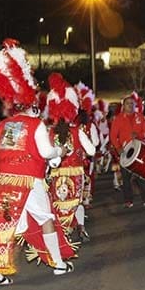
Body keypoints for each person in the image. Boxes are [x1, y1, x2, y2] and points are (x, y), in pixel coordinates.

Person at [0, 39, 75, 287]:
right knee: (46, 219)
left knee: (7, 225)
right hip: (31, 181)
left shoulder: (3, 125)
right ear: (33, 103)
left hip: (5, 181)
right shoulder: (35, 124)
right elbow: (45, 151)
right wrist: (59, 152)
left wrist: (0, 177)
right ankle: (59, 264)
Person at [44, 73, 96, 243]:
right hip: (76, 172)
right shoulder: (77, 131)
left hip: (57, 173)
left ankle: (62, 233)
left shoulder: (49, 132)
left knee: (58, 202)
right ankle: (80, 227)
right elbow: (92, 151)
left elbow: (45, 154)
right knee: (76, 202)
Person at [109, 94, 145, 208]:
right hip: (125, 152)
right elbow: (113, 136)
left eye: (132, 103)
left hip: (139, 151)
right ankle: (128, 200)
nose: (131, 105)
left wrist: (138, 135)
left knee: (142, 176)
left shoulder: (140, 117)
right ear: (123, 106)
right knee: (126, 178)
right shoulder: (118, 119)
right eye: (128, 103)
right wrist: (118, 148)